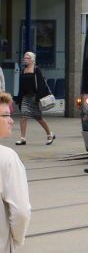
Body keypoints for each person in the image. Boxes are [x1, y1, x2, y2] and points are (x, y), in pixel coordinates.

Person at [0, 92, 31, 252]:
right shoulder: (7, 158)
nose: (11, 120)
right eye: (5, 115)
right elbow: (21, 212)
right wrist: (17, 240)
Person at [14, 52, 55, 146]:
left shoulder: (36, 70)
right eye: (24, 58)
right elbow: (21, 86)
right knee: (23, 116)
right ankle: (22, 138)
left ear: (32, 60)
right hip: (25, 97)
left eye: (27, 58)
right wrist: (19, 98)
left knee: (38, 118)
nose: (25, 59)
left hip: (34, 97)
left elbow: (41, 85)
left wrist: (38, 97)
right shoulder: (23, 70)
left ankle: (49, 134)